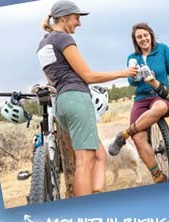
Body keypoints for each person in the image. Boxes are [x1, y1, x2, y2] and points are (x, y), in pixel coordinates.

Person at [37, 0, 138, 196]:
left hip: (62, 104)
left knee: (100, 154)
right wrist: (123, 73)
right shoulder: (63, 39)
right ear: (64, 18)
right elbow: (88, 76)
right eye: (76, 18)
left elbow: (50, 80)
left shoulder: (43, 44)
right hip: (77, 99)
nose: (79, 23)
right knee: (84, 161)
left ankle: (98, 193)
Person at [108, 23, 169, 183]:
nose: (143, 39)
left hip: (160, 95)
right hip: (141, 98)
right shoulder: (132, 58)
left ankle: (124, 134)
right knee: (139, 138)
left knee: (160, 107)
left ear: (151, 35)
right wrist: (134, 77)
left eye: (145, 35)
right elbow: (131, 83)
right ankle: (158, 176)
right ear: (135, 40)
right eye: (139, 37)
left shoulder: (163, 50)